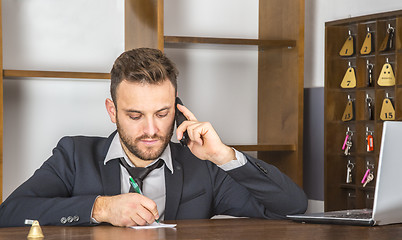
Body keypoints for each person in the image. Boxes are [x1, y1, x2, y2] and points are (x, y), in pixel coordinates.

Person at [0, 48, 307, 227]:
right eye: (135, 116)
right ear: (112, 110)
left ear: (178, 108)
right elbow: (10, 214)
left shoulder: (204, 167)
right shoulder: (73, 156)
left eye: (162, 114)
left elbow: (291, 207)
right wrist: (102, 208)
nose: (150, 130)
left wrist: (224, 156)